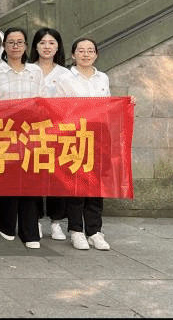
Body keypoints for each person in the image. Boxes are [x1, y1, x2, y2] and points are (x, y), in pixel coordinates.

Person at [0, 27, 44, 249]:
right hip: (3, 132)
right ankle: (7, 224)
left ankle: (30, 231)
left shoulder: (35, 71)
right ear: (4, 46)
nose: (15, 46)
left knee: (30, 181)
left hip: (29, 133)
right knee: (7, 180)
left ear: (26, 46)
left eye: (20, 42)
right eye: (11, 42)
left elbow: (41, 102)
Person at [65, 37, 112, 251]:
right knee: (76, 183)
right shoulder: (65, 78)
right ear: (73, 54)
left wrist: (126, 104)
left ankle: (94, 231)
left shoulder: (103, 78)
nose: (86, 54)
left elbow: (109, 105)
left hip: (98, 135)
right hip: (74, 135)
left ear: (96, 54)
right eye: (81, 50)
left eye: (90, 50)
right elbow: (57, 108)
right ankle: (76, 230)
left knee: (96, 184)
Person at [28, 26, 73, 241]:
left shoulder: (65, 74)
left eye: (52, 43)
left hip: (58, 131)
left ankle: (56, 222)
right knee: (34, 175)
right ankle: (35, 220)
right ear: (35, 46)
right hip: (31, 131)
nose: (47, 47)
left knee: (57, 176)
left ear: (58, 47)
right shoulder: (28, 70)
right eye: (42, 43)